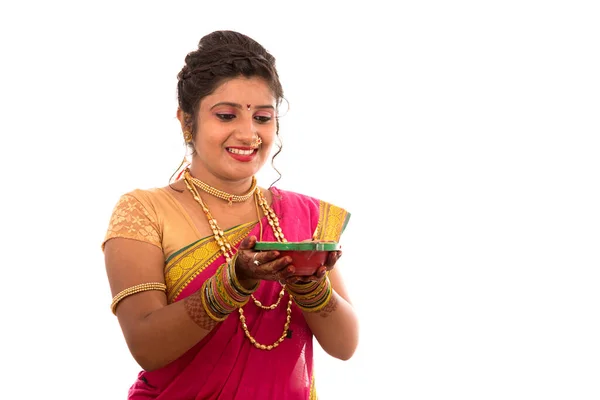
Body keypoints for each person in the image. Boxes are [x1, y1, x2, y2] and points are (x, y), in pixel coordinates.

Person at [102, 30, 359, 399]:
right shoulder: (144, 212)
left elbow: (344, 345)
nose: (248, 133)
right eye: (226, 115)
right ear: (187, 121)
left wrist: (310, 285)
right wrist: (232, 283)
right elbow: (146, 346)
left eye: (263, 117)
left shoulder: (303, 216)